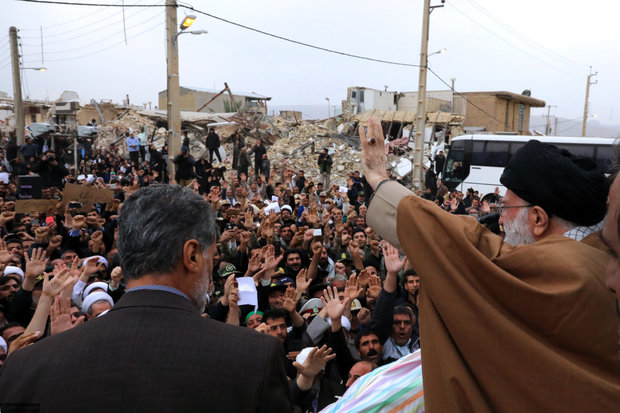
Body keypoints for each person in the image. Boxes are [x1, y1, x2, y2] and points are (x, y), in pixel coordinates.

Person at [360, 118, 620, 412]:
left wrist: (378, 177)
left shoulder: (563, 268)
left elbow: (458, 246)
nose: (499, 219)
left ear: (538, 219)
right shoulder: (600, 259)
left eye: (505, 208)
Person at [0, 185, 292, 412]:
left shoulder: (28, 365)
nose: (212, 266)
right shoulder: (254, 359)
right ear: (191, 255)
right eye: (211, 256)